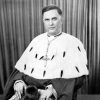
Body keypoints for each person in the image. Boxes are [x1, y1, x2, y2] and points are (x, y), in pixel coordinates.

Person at [3, 5, 89, 100]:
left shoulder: (73, 42)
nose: (51, 23)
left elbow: (79, 78)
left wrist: (54, 89)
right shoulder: (36, 41)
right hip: (30, 90)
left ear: (61, 19)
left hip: (55, 92)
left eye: (54, 19)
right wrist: (18, 81)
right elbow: (21, 69)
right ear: (43, 21)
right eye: (47, 20)